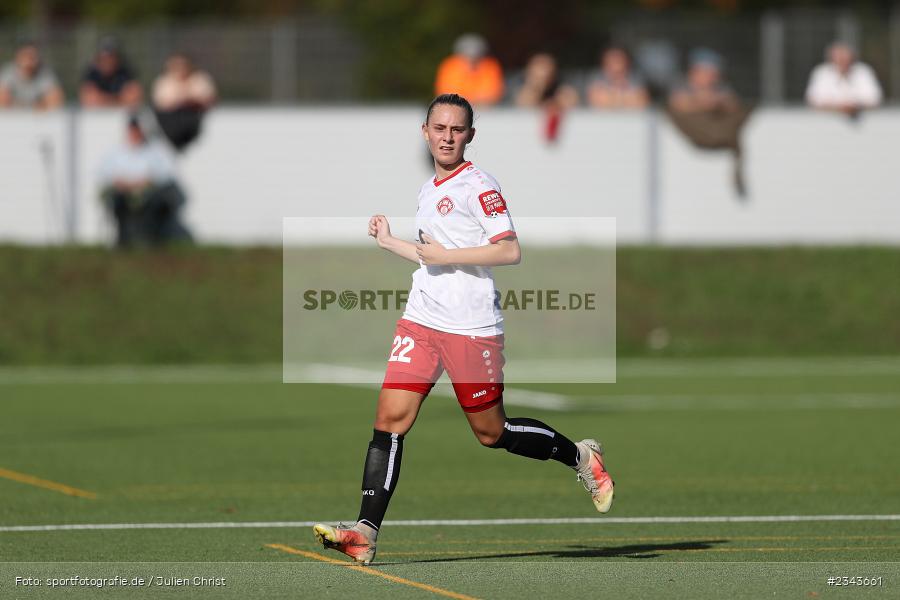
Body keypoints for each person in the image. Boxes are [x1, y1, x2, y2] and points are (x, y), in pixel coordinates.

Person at [312, 93, 614, 565]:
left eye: (457, 130)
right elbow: (431, 255)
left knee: (492, 433)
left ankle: (581, 457)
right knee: (389, 420)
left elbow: (509, 250)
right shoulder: (428, 187)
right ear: (426, 132)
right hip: (422, 320)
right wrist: (390, 241)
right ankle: (364, 532)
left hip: (471, 329)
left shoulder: (480, 187)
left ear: (470, 135)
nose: (447, 137)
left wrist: (447, 256)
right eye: (440, 128)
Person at [667, 48, 751, 198]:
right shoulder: (680, 86)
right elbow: (677, 103)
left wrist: (716, 102)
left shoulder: (722, 90)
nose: (713, 77)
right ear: (696, 72)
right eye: (709, 72)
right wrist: (702, 103)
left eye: (715, 73)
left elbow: (734, 105)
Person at [98, 116, 191, 247]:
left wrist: (147, 182)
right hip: (122, 194)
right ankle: (123, 241)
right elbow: (105, 174)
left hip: (148, 194)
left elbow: (164, 174)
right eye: (133, 131)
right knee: (118, 202)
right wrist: (121, 184)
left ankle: (147, 240)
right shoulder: (116, 152)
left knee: (153, 203)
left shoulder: (154, 150)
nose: (135, 134)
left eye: (138, 131)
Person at [152, 52, 217, 151]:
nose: (180, 69)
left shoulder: (200, 79)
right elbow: (161, 104)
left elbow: (209, 100)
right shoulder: (164, 82)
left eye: (182, 65)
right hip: (170, 122)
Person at [512, 53, 579, 143]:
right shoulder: (516, 84)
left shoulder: (561, 85)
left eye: (548, 67)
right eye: (540, 67)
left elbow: (572, 101)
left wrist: (556, 103)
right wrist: (537, 84)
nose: (545, 72)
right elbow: (524, 102)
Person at [805, 42, 882, 117]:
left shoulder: (863, 71)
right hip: (825, 122)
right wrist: (840, 107)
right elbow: (814, 99)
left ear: (852, 58)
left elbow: (874, 98)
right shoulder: (821, 72)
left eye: (845, 57)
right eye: (839, 57)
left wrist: (853, 106)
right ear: (831, 58)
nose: (842, 60)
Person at [434, 34, 504, 106]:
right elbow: (446, 93)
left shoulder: (490, 66)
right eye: (466, 56)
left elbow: (493, 94)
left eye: (476, 56)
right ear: (458, 55)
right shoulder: (449, 66)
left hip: (486, 109)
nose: (471, 59)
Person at [80, 37, 143, 108]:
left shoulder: (126, 72)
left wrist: (102, 99)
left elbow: (133, 98)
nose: (108, 62)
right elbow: (89, 100)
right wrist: (118, 99)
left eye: (111, 57)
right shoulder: (92, 73)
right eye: (104, 59)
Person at [0, 40, 64, 110]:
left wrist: (20, 106)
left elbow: (55, 101)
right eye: (25, 56)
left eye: (33, 57)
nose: (29, 61)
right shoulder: (8, 72)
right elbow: (2, 101)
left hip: (39, 119)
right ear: (17, 57)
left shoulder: (45, 73)